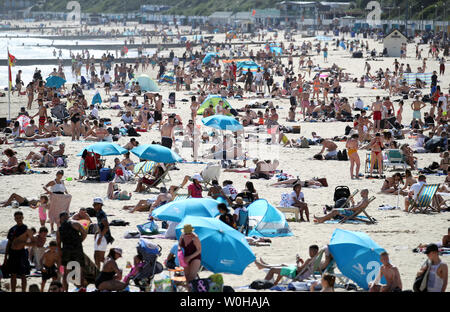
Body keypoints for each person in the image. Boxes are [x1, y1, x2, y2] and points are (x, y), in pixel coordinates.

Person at [254, 245, 319, 285]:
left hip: (295, 273)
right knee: (283, 265)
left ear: (315, 251)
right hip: (297, 272)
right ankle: (265, 265)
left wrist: (297, 261)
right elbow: (306, 268)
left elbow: (299, 269)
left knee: (272, 270)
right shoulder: (316, 259)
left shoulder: (309, 259)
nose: (309, 253)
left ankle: (264, 283)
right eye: (309, 251)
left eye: (311, 251)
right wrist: (301, 262)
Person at [3, 211, 34, 292]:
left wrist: (23, 243)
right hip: (12, 253)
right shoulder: (12, 229)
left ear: (23, 218)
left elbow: (32, 242)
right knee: (13, 274)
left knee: (23, 275)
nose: (19, 219)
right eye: (17, 218)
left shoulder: (26, 229)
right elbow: (9, 243)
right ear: (15, 219)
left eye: (20, 217)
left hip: (21, 253)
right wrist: (6, 257)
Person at [57, 212, 86, 292]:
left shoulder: (59, 229)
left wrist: (60, 255)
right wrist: (79, 241)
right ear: (68, 217)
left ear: (60, 219)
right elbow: (84, 233)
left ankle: (65, 290)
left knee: (66, 273)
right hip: (77, 249)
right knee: (80, 271)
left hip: (66, 251)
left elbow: (58, 245)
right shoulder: (75, 224)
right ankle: (81, 289)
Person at [93, 197, 113, 269]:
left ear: (100, 205)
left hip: (104, 236)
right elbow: (100, 225)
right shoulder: (98, 213)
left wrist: (100, 238)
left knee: (100, 258)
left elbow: (106, 226)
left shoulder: (101, 214)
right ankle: (98, 272)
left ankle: (112, 268)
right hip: (101, 235)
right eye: (93, 204)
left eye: (95, 204)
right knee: (96, 257)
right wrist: (97, 233)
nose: (94, 206)